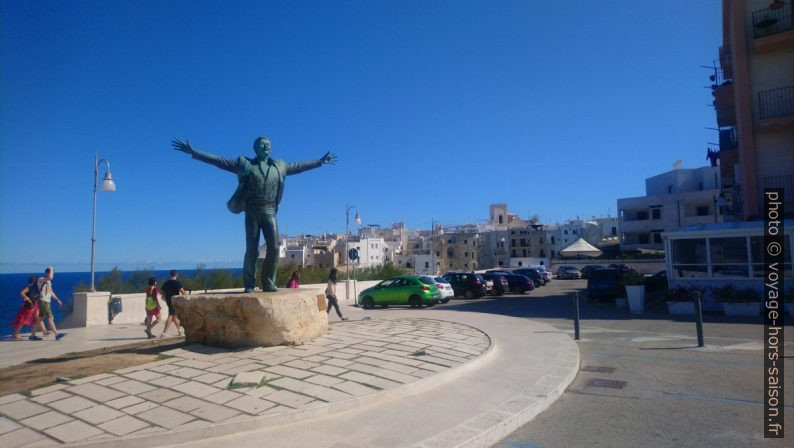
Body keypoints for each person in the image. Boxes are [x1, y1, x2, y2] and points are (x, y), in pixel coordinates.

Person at [172, 136, 336, 292]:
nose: (267, 146)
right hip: (252, 211)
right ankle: (249, 284)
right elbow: (219, 161)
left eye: (268, 143)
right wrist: (195, 152)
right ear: (255, 148)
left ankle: (268, 282)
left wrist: (320, 162)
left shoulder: (279, 165)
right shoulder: (245, 164)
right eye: (263, 144)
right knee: (252, 249)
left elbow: (299, 167)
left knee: (275, 247)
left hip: (270, 210)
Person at [30, 267, 66, 341]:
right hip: (43, 301)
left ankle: (32, 336)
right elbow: (50, 277)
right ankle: (56, 334)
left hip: (46, 301)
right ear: (46, 273)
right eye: (51, 272)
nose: (52, 274)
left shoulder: (48, 282)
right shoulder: (41, 279)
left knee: (40, 319)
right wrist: (51, 268)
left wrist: (57, 299)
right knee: (50, 317)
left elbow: (50, 292)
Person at [11, 276, 46, 340]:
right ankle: (15, 334)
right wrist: (28, 299)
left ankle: (44, 332)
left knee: (39, 317)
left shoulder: (36, 287)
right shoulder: (30, 287)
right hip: (28, 306)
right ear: (35, 281)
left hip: (34, 305)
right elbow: (22, 293)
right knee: (22, 319)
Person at [160, 270, 184, 338]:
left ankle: (180, 331)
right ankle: (164, 333)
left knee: (174, 316)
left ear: (170, 275)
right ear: (176, 275)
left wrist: (166, 296)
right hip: (175, 301)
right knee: (171, 316)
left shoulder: (166, 283)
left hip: (168, 301)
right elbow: (183, 293)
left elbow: (161, 292)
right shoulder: (178, 283)